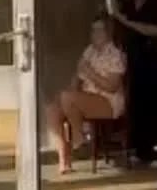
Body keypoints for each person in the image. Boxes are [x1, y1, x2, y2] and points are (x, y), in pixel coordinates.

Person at [46, 14, 126, 174]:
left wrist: (90, 72)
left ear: (108, 32)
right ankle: (64, 161)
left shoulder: (116, 54)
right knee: (52, 109)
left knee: (67, 98)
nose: (95, 34)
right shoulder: (89, 51)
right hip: (85, 98)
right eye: (93, 30)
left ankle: (79, 138)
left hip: (108, 101)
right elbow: (77, 77)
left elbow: (112, 87)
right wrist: (67, 95)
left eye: (99, 30)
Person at [113, 0, 157, 164]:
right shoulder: (126, 3)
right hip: (132, 58)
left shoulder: (156, 1)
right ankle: (138, 149)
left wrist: (127, 22)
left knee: (151, 102)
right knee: (134, 103)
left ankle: (154, 149)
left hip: (151, 57)